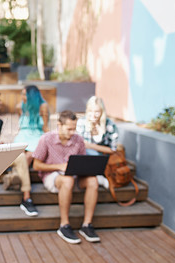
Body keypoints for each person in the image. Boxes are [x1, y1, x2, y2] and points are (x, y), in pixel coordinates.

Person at [33, 110, 100, 244]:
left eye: (74, 129)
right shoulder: (46, 139)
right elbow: (36, 165)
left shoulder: (78, 139)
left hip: (74, 175)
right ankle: (64, 225)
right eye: (69, 129)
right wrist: (60, 166)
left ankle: (87, 225)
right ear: (59, 125)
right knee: (67, 180)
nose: (72, 133)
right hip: (53, 176)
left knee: (93, 181)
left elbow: (82, 161)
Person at [76, 96, 119, 188]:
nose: (93, 115)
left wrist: (90, 146)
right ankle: (96, 178)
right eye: (90, 111)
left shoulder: (110, 125)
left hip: (103, 159)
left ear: (102, 112)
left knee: (91, 152)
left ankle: (97, 177)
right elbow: (79, 145)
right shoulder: (81, 122)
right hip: (85, 157)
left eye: (97, 112)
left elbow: (112, 149)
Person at [13, 84, 50, 166]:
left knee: (29, 155)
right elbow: (21, 123)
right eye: (22, 94)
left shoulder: (43, 106)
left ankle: (19, 176)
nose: (22, 97)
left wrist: (50, 138)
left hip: (37, 135)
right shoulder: (20, 107)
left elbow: (45, 126)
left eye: (25, 95)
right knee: (19, 154)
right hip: (23, 135)